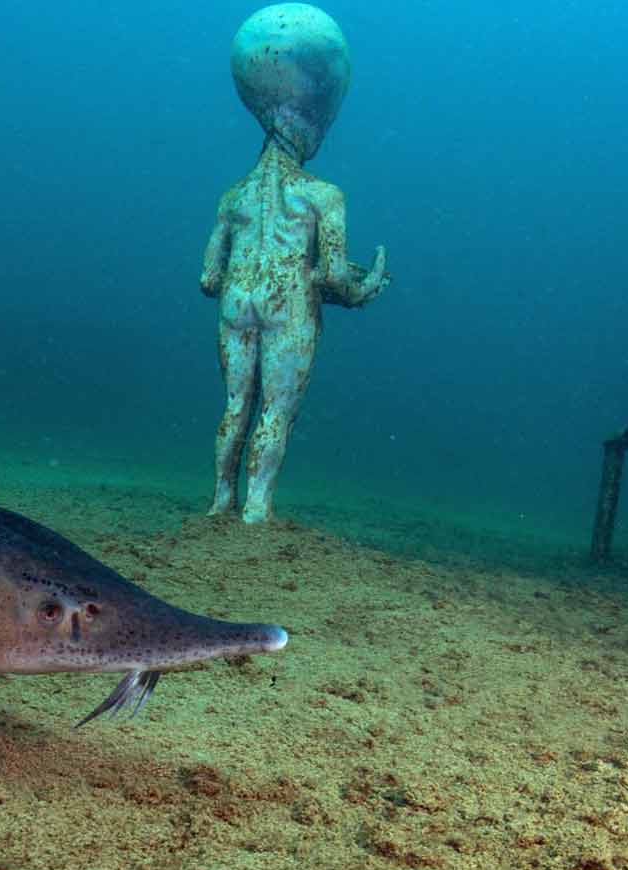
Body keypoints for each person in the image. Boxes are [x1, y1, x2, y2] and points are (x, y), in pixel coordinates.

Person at [202, 4, 390, 524]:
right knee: (275, 410)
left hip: (238, 295)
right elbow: (330, 274)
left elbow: (206, 279)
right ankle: (257, 508)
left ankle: (221, 499)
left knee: (236, 404)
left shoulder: (233, 196)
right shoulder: (321, 195)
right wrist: (356, 286)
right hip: (289, 298)